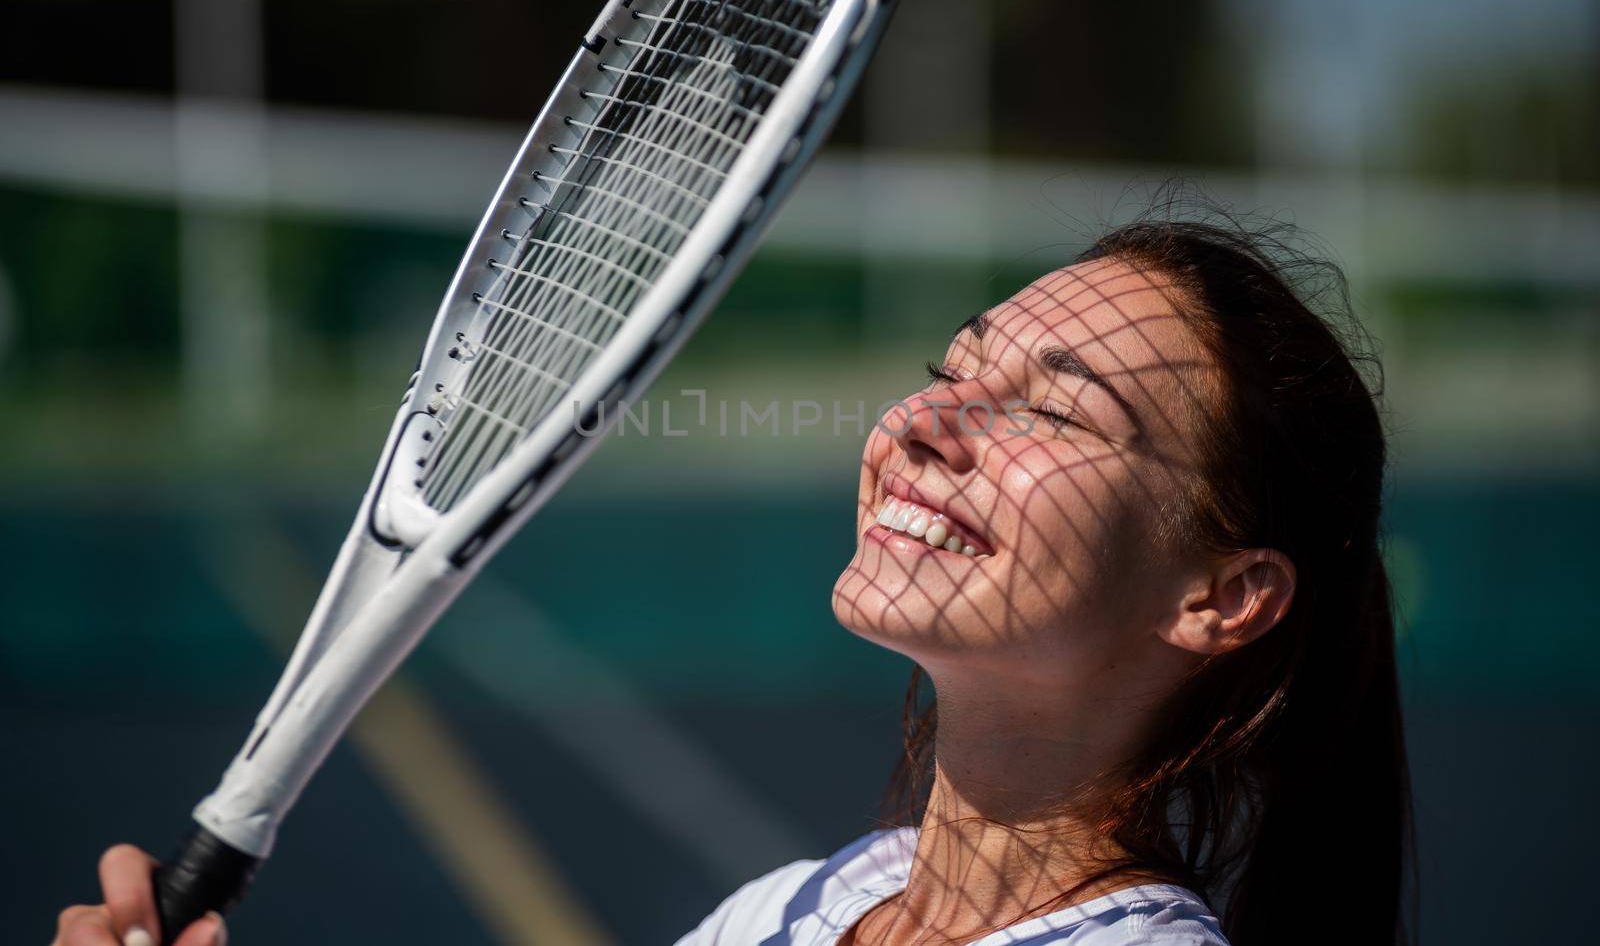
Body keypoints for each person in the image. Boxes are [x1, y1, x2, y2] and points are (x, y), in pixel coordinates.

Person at [55, 214, 1413, 946]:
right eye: (953, 368)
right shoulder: (782, 912)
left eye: (1055, 410)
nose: (929, 422)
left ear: (1222, 595)